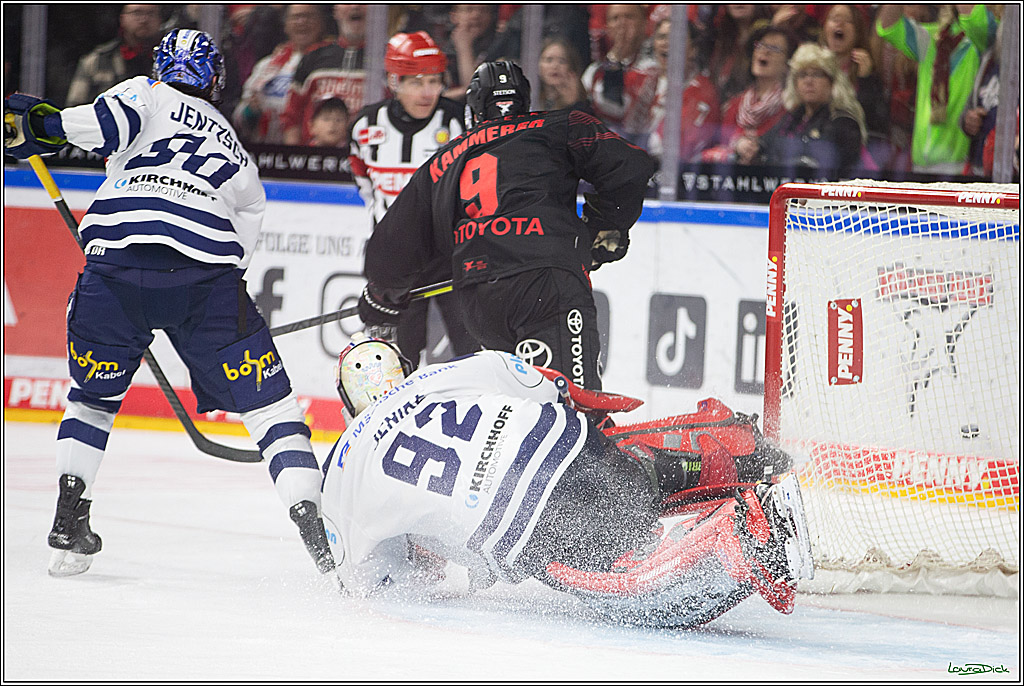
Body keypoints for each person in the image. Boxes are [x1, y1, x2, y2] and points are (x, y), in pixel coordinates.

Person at [4, 29, 334, 579]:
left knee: (92, 400)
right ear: (217, 81)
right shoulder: (235, 146)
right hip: (205, 286)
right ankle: (320, 532)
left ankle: (68, 518)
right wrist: (209, 295)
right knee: (272, 410)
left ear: (162, 68)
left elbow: (102, 126)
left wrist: (41, 126)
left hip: (113, 276)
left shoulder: (148, 93)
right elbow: (248, 226)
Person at [319, 339, 813, 627]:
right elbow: (553, 386)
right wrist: (586, 401)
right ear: (405, 369)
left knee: (634, 591)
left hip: (527, 526)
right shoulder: (449, 371)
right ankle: (739, 454)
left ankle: (752, 536)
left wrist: (426, 549)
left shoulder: (343, 463)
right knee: (628, 474)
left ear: (347, 405)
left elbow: (369, 583)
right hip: (575, 449)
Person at [357, 61, 657, 391]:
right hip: (546, 284)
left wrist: (381, 298)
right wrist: (603, 227)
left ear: (473, 109)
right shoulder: (559, 125)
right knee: (572, 405)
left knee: (515, 412)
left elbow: (389, 252)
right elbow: (631, 166)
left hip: (479, 301)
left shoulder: (442, 162)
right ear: (525, 102)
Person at [347, 31, 478, 365]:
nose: (428, 92)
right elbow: (365, 184)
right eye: (417, 82)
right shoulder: (365, 127)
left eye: (435, 81)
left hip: (450, 257)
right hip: (392, 262)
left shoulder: (458, 122)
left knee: (474, 349)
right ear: (394, 80)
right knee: (393, 359)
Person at [876, 4, 999, 175]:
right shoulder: (933, 37)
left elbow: (974, 19)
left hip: (960, 165)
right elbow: (889, 26)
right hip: (921, 163)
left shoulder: (983, 38)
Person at [749, 43, 866, 177]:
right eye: (803, 75)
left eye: (817, 74)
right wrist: (748, 146)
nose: (808, 81)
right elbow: (765, 142)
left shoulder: (843, 121)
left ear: (832, 82)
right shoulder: (794, 116)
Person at [232, 4, 330, 145]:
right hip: (268, 152)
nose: (302, 22)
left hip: (313, 152)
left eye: (308, 16)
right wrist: (250, 112)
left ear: (321, 23)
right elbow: (240, 117)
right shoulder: (267, 65)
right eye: (296, 17)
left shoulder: (331, 64)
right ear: (285, 25)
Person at [701, 25, 796, 165]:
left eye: (774, 48)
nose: (764, 52)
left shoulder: (790, 106)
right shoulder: (735, 104)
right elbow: (719, 142)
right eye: (760, 45)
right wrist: (737, 146)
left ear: (787, 64)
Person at [282, 4, 368, 146]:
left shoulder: (387, 60)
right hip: (316, 158)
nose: (355, 6)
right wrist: (294, 158)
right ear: (336, 11)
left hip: (366, 158)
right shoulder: (313, 56)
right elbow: (292, 116)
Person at [819, 4, 890, 163]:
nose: (840, 24)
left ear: (858, 32)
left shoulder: (868, 76)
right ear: (824, 28)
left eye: (848, 21)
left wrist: (866, 80)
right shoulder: (810, 66)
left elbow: (876, 123)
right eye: (834, 19)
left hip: (855, 160)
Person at [581, 4, 659, 144]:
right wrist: (616, 59)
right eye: (615, 18)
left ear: (644, 24)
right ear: (607, 28)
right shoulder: (593, 72)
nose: (622, 24)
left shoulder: (657, 68)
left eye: (629, 17)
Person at [646, 18, 721, 163]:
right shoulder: (641, 81)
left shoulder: (703, 91)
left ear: (693, 50)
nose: (667, 43)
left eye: (676, 37)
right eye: (662, 37)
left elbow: (679, 147)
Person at [65, 4, 164, 107]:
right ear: (122, 18)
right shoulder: (96, 61)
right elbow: (75, 109)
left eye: (150, 13)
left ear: (160, 19)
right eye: (137, 13)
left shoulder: (173, 62)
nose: (144, 20)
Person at [442, 5, 499, 102]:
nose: (476, 15)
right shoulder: (440, 48)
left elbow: (475, 92)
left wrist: (464, 47)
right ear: (454, 16)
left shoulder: (498, 47)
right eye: (469, 9)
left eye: (483, 10)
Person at [536, 36, 591, 113]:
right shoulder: (529, 98)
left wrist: (573, 105)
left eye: (562, 61)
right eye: (549, 60)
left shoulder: (584, 105)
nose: (555, 66)